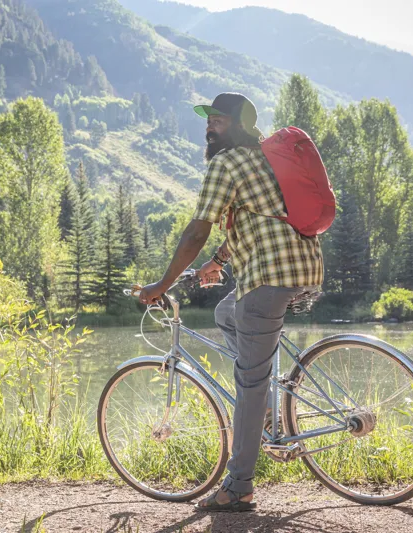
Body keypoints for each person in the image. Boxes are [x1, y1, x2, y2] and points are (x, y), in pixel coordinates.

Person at [139, 92, 324, 512]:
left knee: (249, 382)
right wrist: (217, 263)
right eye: (208, 120)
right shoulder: (266, 160)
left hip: (270, 277)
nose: (209, 126)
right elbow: (257, 216)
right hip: (304, 268)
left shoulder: (226, 163)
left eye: (218, 121)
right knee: (226, 312)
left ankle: (239, 486)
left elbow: (196, 229)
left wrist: (162, 283)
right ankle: (266, 411)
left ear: (237, 125)